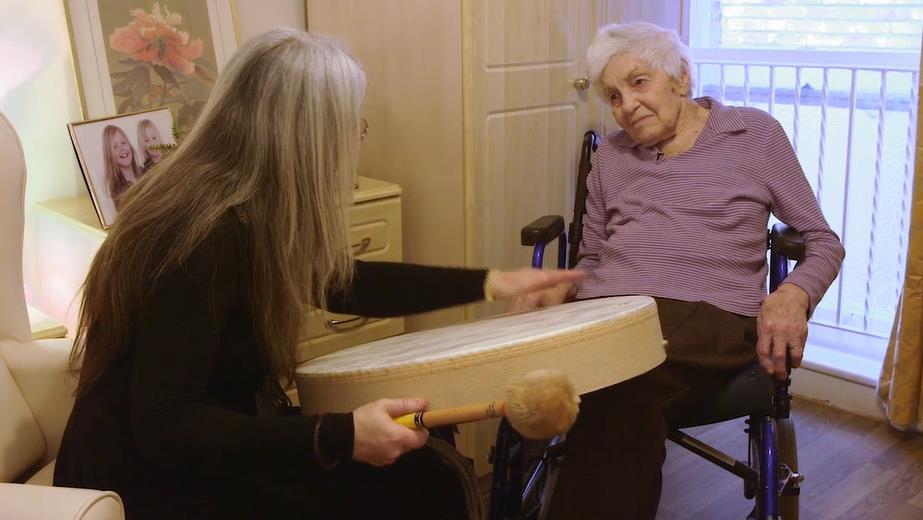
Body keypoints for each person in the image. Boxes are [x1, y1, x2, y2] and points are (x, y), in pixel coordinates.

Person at [54, 29, 582, 519]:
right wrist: (340, 436)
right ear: (305, 137)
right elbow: (167, 424)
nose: (357, 136)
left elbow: (342, 281)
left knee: (426, 466)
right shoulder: (202, 235)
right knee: (422, 483)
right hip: (140, 482)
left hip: (200, 444)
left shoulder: (244, 209)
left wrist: (493, 282)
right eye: (352, 122)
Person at [510, 22, 845, 519]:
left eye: (639, 82)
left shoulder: (753, 134)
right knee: (573, 374)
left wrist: (794, 292)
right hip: (609, 312)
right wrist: (559, 289)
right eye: (614, 95)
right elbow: (594, 255)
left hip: (708, 312)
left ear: (682, 77)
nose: (626, 105)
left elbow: (823, 241)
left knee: (619, 380)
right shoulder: (612, 158)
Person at [101, 124, 145, 209]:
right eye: (115, 147)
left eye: (123, 143)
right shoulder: (118, 191)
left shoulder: (146, 171)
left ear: (130, 146)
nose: (122, 148)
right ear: (109, 156)